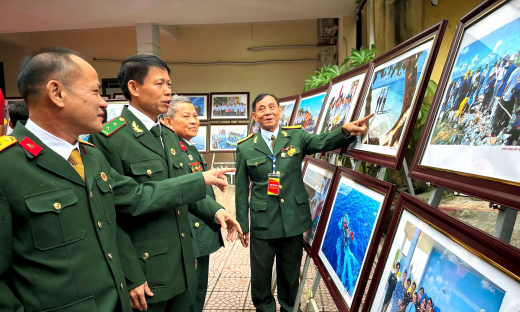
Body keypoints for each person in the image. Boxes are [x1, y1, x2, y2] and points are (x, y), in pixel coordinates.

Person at [0, 47, 233, 312]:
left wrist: (206, 193)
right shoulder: (7, 166)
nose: (103, 103)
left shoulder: (90, 157)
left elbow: (125, 206)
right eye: (95, 91)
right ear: (56, 92)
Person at [89, 54, 242, 312]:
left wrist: (216, 212)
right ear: (134, 88)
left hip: (181, 263)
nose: (168, 91)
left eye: (169, 84)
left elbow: (180, 189)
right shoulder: (109, 138)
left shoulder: (168, 136)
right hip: (145, 269)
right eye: (159, 84)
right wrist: (130, 274)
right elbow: (110, 213)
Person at [235, 93, 373, 312]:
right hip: (263, 222)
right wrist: (242, 224)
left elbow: (322, 141)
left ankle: (289, 308)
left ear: (280, 112)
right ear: (255, 116)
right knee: (260, 277)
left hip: (293, 220)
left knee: (290, 276)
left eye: (272, 107)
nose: (268, 112)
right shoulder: (245, 148)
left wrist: (345, 131)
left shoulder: (297, 136)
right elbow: (241, 190)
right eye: (262, 109)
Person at [162, 94, 225, 312]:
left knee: (198, 294)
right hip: (190, 237)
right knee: (188, 300)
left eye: (195, 115)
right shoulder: (170, 152)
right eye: (186, 116)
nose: (194, 120)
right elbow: (180, 199)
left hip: (202, 231)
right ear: (167, 121)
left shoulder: (189, 147)